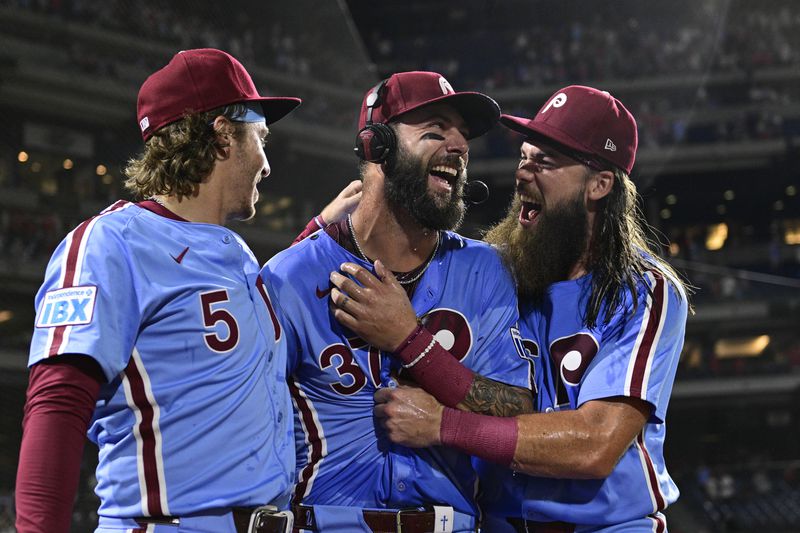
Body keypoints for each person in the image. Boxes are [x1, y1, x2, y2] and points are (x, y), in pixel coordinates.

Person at [330, 85, 690, 532]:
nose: (523, 174)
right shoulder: (500, 269)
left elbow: (594, 445)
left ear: (599, 184)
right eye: (524, 157)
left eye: (545, 162)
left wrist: (444, 425)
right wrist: (322, 236)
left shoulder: (640, 289)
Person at [16, 48, 301, 533]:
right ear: (223, 137)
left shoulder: (236, 250)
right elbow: (57, 404)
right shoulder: (111, 242)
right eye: (262, 138)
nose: (267, 164)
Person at [262, 71, 533, 532]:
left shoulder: (487, 272)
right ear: (376, 146)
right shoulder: (291, 276)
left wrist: (415, 347)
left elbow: (521, 414)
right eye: (435, 130)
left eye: (463, 137)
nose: (460, 147)